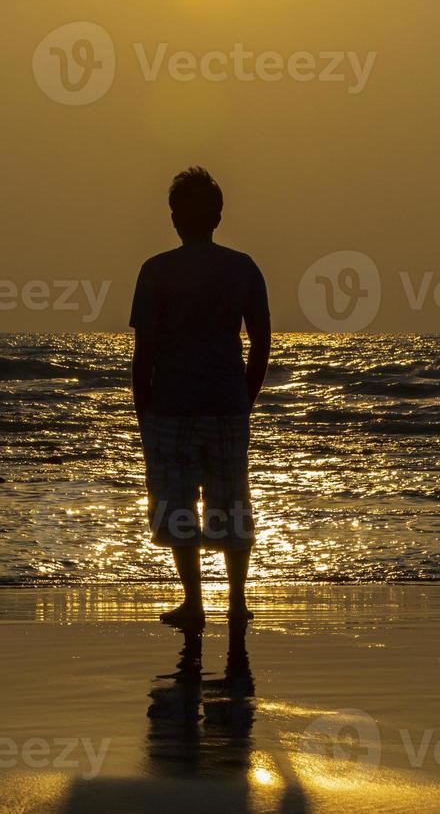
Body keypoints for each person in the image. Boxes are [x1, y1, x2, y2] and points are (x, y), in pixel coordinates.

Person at [130, 167, 271, 629]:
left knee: (176, 503)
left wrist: (142, 411)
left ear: (175, 217)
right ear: (218, 215)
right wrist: (244, 397)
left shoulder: (156, 271)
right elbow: (262, 343)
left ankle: (194, 601)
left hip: (171, 405)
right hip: (225, 401)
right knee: (231, 502)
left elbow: (144, 352)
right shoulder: (242, 267)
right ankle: (235, 600)